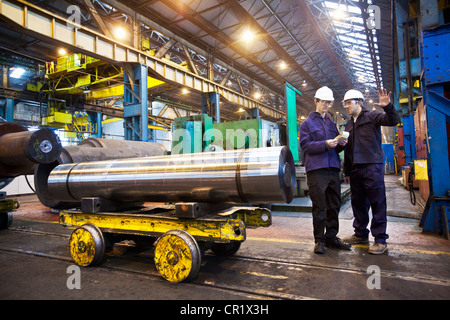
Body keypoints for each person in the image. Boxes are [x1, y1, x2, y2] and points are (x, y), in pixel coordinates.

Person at [341, 89, 400, 254]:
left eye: (349, 102)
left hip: (372, 167)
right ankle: (360, 234)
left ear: (359, 102)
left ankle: (380, 240)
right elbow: (347, 149)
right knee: (358, 203)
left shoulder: (372, 116)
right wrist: (346, 171)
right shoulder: (348, 124)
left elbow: (394, 120)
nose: (346, 106)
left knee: (377, 203)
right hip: (355, 169)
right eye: (345, 103)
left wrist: (387, 106)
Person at [299, 86, 351, 254]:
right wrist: (325, 144)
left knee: (334, 205)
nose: (327, 105)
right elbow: (305, 146)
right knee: (319, 207)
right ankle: (319, 240)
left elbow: (334, 149)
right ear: (316, 101)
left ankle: (331, 237)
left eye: (329, 103)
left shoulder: (331, 123)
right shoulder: (307, 124)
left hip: (333, 169)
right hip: (317, 170)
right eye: (324, 102)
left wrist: (341, 144)